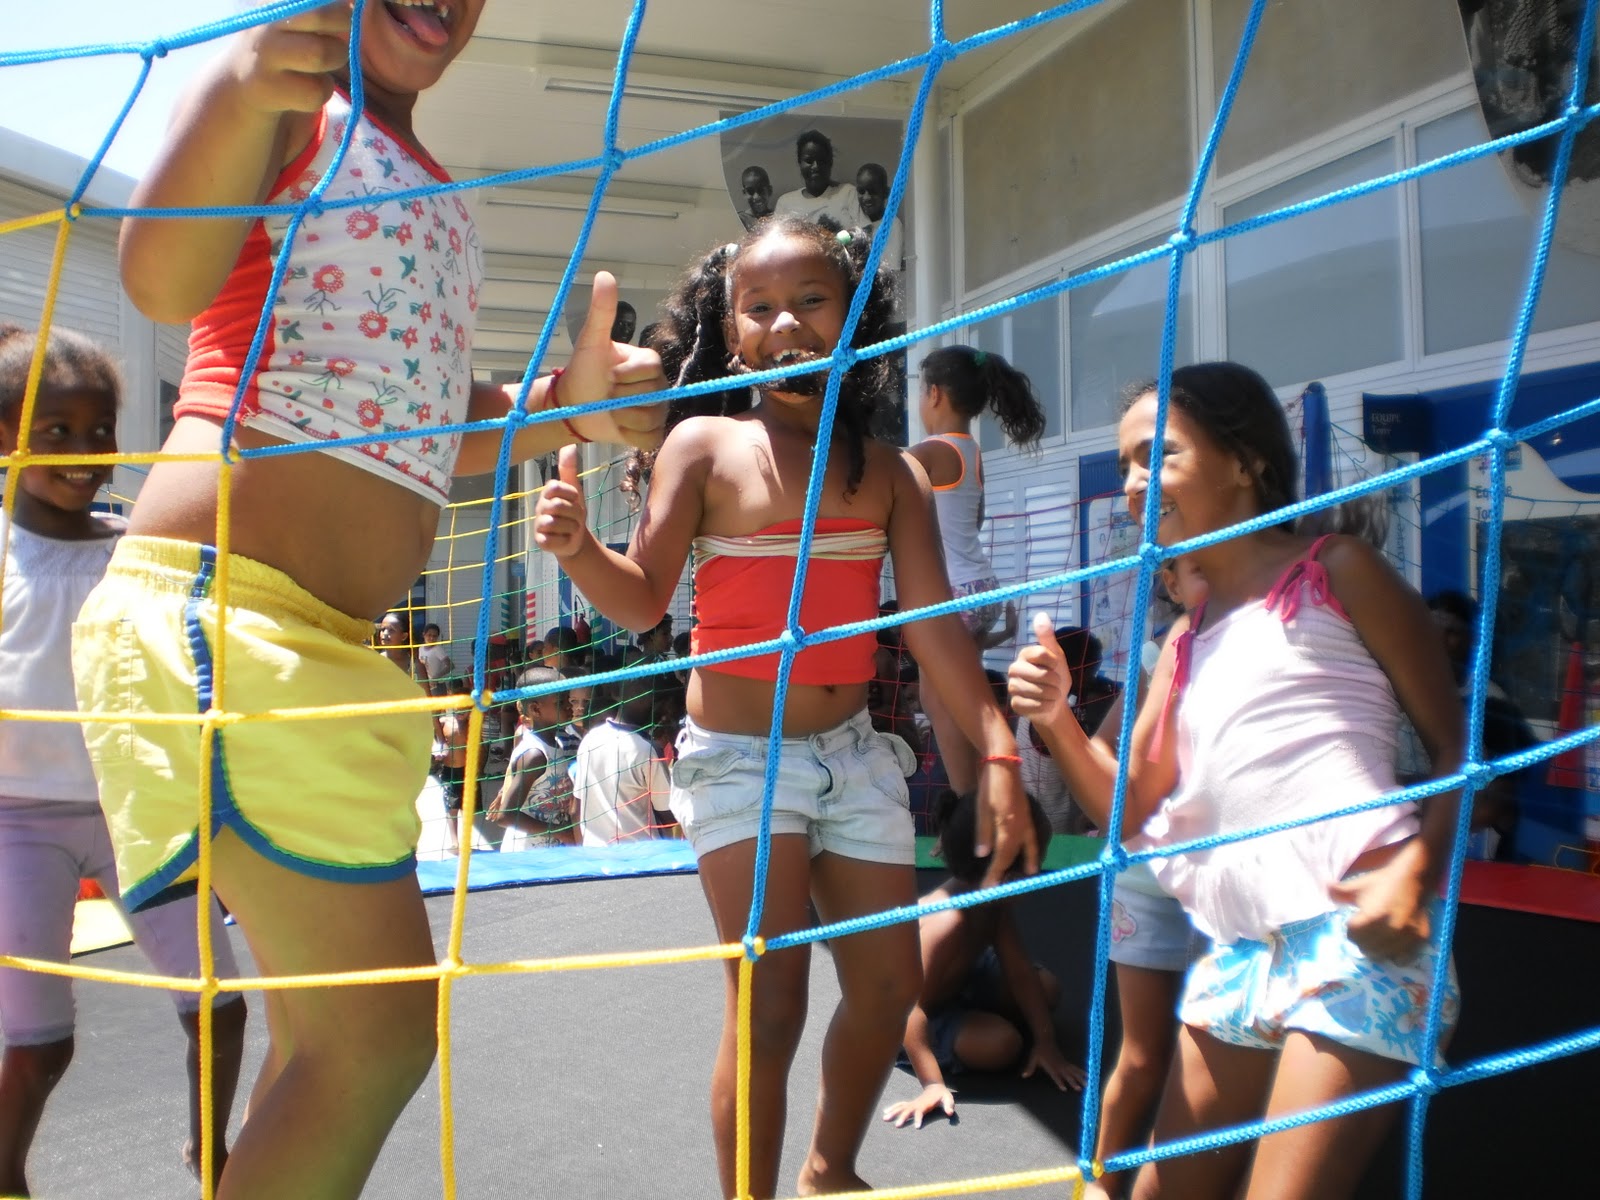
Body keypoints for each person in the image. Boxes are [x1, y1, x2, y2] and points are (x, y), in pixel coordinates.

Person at [72, 4, 667, 1196]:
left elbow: (430, 425)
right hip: (225, 622)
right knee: (377, 1034)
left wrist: (566, 402)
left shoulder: (434, 187)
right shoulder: (290, 104)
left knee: (322, 1034)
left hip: (315, 650)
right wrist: (240, 88)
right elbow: (158, 277)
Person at [533, 214, 1037, 1198]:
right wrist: (577, 549)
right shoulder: (703, 447)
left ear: (853, 316)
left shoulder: (886, 473)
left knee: (889, 986)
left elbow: (934, 627)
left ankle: (828, 1168)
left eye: (811, 299)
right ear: (730, 331)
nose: (785, 323)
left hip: (852, 753)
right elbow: (642, 601)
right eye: (758, 307)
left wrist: (999, 749)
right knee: (770, 1003)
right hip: (737, 758)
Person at [1009, 362, 1465, 1200]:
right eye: (1125, 465)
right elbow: (1128, 808)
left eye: (1158, 455)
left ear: (1247, 461)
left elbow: (1456, 749)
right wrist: (1057, 720)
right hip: (1239, 949)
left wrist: (1418, 868)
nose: (1135, 482)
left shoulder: (1337, 569)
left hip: (1354, 936)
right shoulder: (1186, 637)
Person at [0, 325, 248, 1195]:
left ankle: (211, 1155)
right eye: (56, 432)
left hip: (134, 808)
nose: (84, 453)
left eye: (99, 430)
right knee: (41, 1044)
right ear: (6, 439)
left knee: (219, 1006)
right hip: (19, 821)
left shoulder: (136, 551)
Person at [1086, 557, 1208, 1200]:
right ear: (1171, 585)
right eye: (1191, 569)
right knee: (1143, 1053)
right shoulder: (1163, 653)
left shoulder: (1269, 637)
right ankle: (1101, 1181)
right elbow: (1103, 745)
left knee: (1210, 1053)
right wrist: (1132, 809)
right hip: (1147, 872)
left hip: (1223, 872)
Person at [883, 789, 1085, 1130]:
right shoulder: (946, 923)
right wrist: (932, 1084)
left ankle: (983, 1017)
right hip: (912, 1011)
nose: (1037, 876)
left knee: (1046, 988)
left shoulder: (992, 901)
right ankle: (947, 1045)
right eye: (1034, 866)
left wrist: (1046, 1042)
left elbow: (1019, 972)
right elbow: (909, 1008)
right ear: (1005, 874)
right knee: (1002, 1046)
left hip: (962, 979)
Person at [909, 345, 1046, 802]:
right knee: (965, 696)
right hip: (980, 588)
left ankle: (968, 799)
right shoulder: (972, 452)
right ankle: (988, 789)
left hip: (949, 593)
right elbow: (976, 516)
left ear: (934, 394)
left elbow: (885, 490)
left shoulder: (929, 451)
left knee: (936, 700)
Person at [570, 680, 670, 845]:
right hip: (639, 854)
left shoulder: (589, 739)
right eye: (663, 705)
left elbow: (576, 809)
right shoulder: (647, 749)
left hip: (595, 852)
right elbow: (668, 815)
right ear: (650, 702)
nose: (665, 714)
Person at [489, 666, 578, 849]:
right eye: (560, 702)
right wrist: (560, 832)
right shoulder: (534, 754)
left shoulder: (556, 744)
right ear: (536, 709)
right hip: (525, 853)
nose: (569, 706)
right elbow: (505, 815)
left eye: (568, 699)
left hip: (548, 851)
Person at [774, 130, 867, 230]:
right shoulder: (785, 203)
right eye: (809, 161)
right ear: (799, 163)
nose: (815, 166)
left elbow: (865, 231)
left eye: (821, 161)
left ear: (830, 162)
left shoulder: (848, 193)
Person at [854, 162, 903, 269]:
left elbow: (891, 270)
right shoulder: (854, 219)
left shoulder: (892, 226)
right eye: (861, 192)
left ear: (885, 193)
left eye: (873, 192)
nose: (866, 197)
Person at [418, 622, 454, 696]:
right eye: (429, 635)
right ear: (424, 635)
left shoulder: (438, 649)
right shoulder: (421, 648)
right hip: (425, 684)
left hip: (437, 685)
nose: (431, 638)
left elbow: (450, 665)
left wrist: (436, 677)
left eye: (434, 636)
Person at [738, 164, 776, 231]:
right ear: (744, 193)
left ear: (769, 190)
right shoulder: (739, 220)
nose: (756, 197)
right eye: (750, 191)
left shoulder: (777, 217)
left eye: (760, 190)